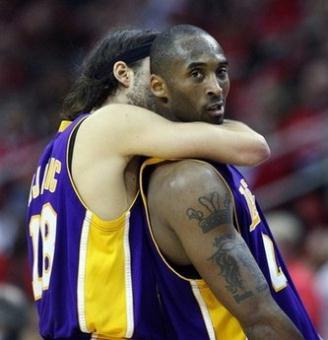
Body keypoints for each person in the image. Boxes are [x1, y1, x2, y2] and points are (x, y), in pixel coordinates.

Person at [26, 28, 270, 339]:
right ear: (123, 73)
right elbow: (252, 148)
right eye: (159, 72)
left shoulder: (56, 151)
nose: (166, 86)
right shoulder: (112, 121)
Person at [138, 24, 321, 339]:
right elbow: (259, 316)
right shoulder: (187, 180)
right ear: (159, 86)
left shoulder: (212, 157)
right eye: (196, 74)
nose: (215, 87)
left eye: (221, 71)